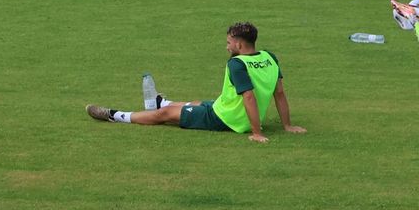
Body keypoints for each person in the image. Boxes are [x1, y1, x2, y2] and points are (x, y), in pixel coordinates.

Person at [85, 22, 305, 144]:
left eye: (229, 42)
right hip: (225, 107)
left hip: (226, 119)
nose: (226, 46)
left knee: (165, 115)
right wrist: (287, 125)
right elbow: (279, 93)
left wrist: (256, 132)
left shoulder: (237, 64)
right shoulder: (269, 57)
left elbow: (248, 97)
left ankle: (115, 115)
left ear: (239, 44)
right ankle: (160, 101)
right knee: (198, 103)